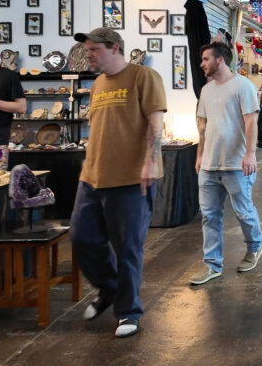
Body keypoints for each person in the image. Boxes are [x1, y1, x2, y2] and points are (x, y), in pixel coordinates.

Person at [70, 27, 166, 339]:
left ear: (114, 48)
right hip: (93, 177)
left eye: (94, 49)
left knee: (128, 248)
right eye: (87, 50)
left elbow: (155, 121)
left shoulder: (143, 76)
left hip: (130, 179)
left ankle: (129, 311)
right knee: (81, 237)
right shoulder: (98, 83)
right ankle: (110, 289)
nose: (88, 54)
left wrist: (150, 161)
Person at [191, 42, 262, 286]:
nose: (202, 64)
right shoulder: (206, 90)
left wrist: (250, 153)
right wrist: (200, 155)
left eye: (205, 59)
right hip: (210, 166)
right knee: (209, 216)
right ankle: (213, 264)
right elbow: (202, 125)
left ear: (220, 60)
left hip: (236, 164)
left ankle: (254, 247)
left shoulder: (243, 86)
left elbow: (251, 121)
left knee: (243, 212)